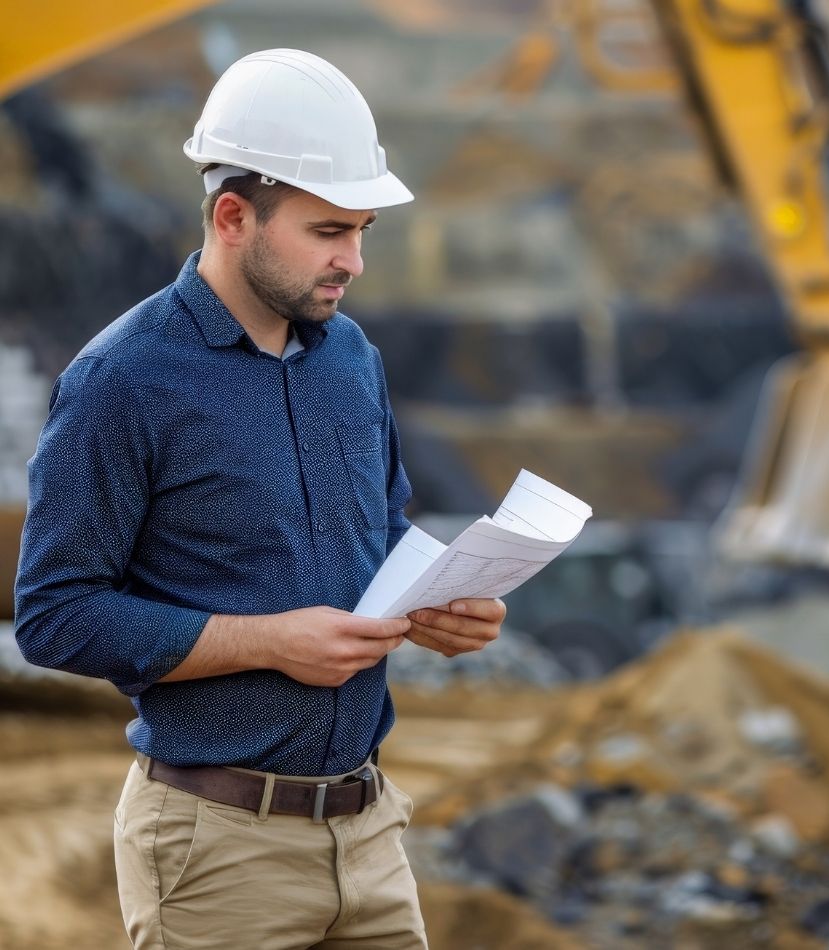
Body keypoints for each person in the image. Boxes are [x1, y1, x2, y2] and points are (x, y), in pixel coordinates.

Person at [14, 48, 505, 949]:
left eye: (361, 231)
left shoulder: (351, 358)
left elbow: (381, 532)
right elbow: (54, 615)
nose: (353, 260)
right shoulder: (123, 381)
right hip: (215, 856)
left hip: (370, 834)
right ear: (233, 215)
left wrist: (442, 603)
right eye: (327, 231)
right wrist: (269, 641)